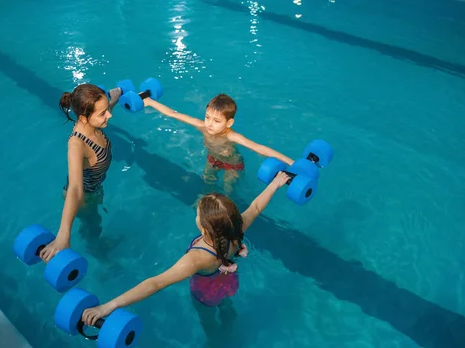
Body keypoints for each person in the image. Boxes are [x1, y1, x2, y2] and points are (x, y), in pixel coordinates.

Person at [81, 171, 290, 325]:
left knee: (207, 318)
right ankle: (228, 314)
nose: (196, 215)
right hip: (228, 281)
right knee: (225, 302)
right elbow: (255, 207)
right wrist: (275, 184)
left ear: (204, 227)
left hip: (206, 293)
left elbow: (155, 283)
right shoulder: (236, 230)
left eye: (198, 214)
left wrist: (108, 306)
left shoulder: (198, 258)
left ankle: (214, 338)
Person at [143, 93, 293, 194]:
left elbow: (258, 148)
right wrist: (149, 101)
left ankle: (227, 209)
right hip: (212, 160)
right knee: (207, 181)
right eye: (207, 117)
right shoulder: (202, 126)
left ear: (229, 123)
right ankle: (207, 200)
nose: (209, 124)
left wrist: (290, 162)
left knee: (228, 190)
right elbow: (173, 114)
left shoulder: (232, 136)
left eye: (216, 121)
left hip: (232, 165)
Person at [39, 84, 122, 262]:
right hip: (83, 197)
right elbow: (75, 188)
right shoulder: (77, 144)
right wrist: (63, 235)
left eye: (107, 109)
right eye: (103, 113)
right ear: (84, 117)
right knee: (93, 225)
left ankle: (95, 244)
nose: (110, 115)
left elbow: (101, 114)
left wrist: (113, 99)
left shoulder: (92, 123)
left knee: (93, 222)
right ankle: (99, 255)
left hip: (95, 188)